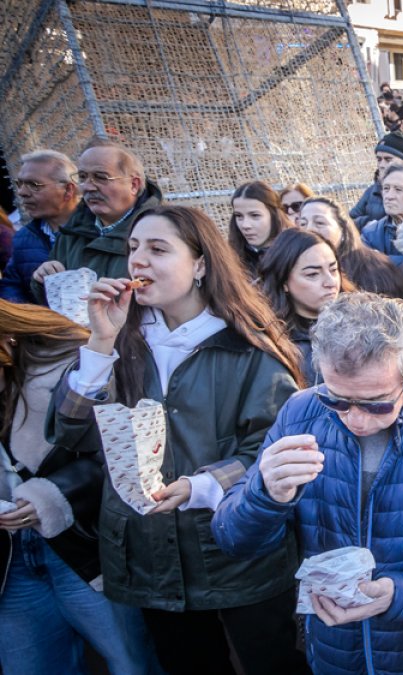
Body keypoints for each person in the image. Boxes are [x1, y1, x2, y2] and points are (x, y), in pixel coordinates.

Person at [50, 205, 307, 673]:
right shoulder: (118, 345)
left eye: (157, 249)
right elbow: (71, 433)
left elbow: (273, 448)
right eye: (132, 249)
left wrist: (203, 485)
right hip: (150, 556)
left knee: (270, 663)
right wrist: (99, 345)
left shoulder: (245, 347)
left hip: (235, 549)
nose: (138, 262)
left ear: (201, 264)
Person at [213, 292, 403, 675]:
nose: (355, 419)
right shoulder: (301, 412)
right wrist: (265, 495)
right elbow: (235, 541)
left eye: (376, 404)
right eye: (337, 400)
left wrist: (400, 592)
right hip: (333, 645)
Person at [0, 301, 159, 674]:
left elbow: (121, 454)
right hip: (10, 561)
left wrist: (50, 497)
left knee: (130, 660)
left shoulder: (70, 363)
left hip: (81, 543)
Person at [30, 139, 163, 304]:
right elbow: (55, 303)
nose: (88, 187)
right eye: (83, 177)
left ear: (133, 185)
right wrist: (43, 281)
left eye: (101, 177)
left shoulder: (162, 231)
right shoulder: (72, 232)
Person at [258, 228, 355, 386]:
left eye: (333, 269)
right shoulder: (273, 345)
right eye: (312, 274)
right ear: (284, 282)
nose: (330, 282)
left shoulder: (363, 320)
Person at [1, 151, 80, 304]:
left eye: (34, 185)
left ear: (68, 190)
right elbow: (11, 285)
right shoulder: (22, 238)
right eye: (19, 184)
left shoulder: (101, 228)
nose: (22, 192)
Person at [297, 196, 403, 298]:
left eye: (320, 223)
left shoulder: (375, 273)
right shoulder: (293, 270)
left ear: (342, 229)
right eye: (303, 224)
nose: (309, 229)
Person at [361, 162, 403, 265]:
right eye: (386, 188)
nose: (389, 196)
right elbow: (363, 267)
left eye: (398, 189)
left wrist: (379, 259)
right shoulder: (371, 233)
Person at [227, 180, 292, 278]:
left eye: (255, 215)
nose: (245, 225)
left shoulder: (297, 252)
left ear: (274, 215)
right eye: (239, 216)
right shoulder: (229, 257)